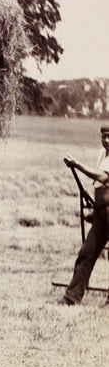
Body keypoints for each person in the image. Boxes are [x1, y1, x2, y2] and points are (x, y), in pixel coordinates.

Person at [59, 125, 109, 305]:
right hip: (102, 213)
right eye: (104, 137)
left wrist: (78, 164)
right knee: (86, 253)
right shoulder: (102, 154)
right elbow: (99, 185)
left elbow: (103, 177)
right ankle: (72, 298)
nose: (107, 141)